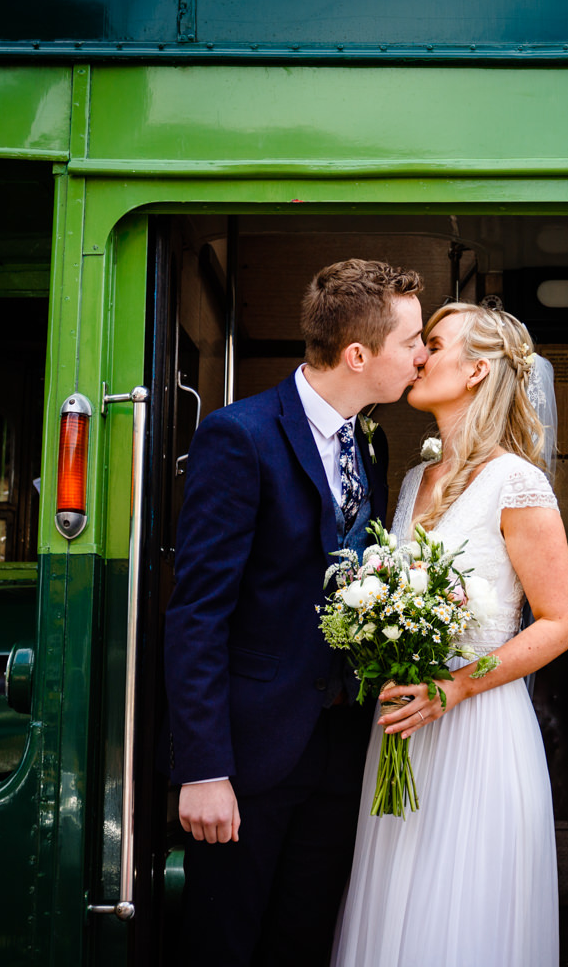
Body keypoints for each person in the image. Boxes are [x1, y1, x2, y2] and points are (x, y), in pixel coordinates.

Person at [164, 259, 428, 966]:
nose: (423, 355)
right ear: (358, 355)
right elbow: (197, 613)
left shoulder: (370, 442)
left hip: (341, 750)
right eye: (412, 342)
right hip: (249, 757)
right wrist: (204, 769)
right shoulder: (238, 436)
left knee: (305, 942)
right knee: (224, 945)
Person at [331, 303, 568, 967]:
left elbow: (561, 622)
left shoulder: (517, 483)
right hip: (406, 730)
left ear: (476, 370)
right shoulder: (413, 480)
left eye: (432, 345)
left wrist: (455, 687)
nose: (418, 356)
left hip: (480, 729)